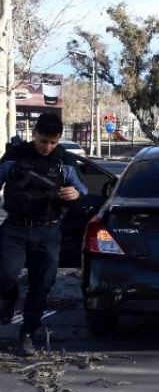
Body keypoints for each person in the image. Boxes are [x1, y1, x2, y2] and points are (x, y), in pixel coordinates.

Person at [0, 113, 87, 356]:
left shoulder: (64, 161)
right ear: (34, 134)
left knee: (42, 285)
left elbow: (81, 190)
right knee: (6, 275)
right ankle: (8, 301)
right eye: (42, 141)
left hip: (48, 230)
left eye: (52, 142)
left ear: (58, 139)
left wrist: (75, 195)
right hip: (15, 228)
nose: (47, 147)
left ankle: (28, 332)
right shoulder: (16, 156)